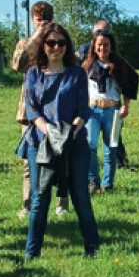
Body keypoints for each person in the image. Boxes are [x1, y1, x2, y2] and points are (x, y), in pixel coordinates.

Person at [17, 23, 99, 259]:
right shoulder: (33, 73)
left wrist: (69, 133)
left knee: (80, 196)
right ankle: (31, 254)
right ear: (42, 45)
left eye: (61, 43)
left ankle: (93, 250)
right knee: (39, 198)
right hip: (40, 142)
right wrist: (51, 133)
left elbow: (83, 110)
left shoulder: (76, 73)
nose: (56, 47)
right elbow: (32, 111)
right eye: (51, 42)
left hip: (73, 141)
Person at [12, 1, 68, 216]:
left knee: (61, 157)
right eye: (38, 19)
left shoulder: (60, 43)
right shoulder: (25, 43)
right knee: (30, 160)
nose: (43, 22)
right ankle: (28, 204)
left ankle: (62, 204)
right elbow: (18, 65)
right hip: (30, 112)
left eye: (47, 18)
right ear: (32, 21)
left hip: (57, 110)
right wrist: (36, 38)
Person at [83, 28, 136, 193]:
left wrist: (126, 104)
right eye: (99, 44)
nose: (102, 48)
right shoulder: (87, 65)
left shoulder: (119, 65)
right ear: (94, 46)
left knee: (110, 148)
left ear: (111, 46)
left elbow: (131, 81)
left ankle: (107, 184)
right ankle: (93, 181)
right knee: (89, 145)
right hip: (92, 110)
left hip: (112, 110)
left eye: (106, 44)